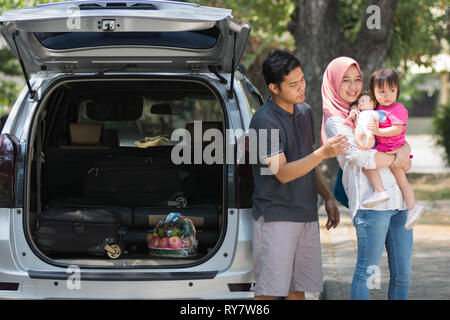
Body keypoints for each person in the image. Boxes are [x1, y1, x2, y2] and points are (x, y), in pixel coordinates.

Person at [249, 50, 348, 300]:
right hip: (276, 218)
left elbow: (306, 161)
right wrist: (323, 152)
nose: (301, 87)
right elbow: (282, 172)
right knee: (268, 293)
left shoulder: (304, 112)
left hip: (306, 215)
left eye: (302, 79)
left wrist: (326, 196)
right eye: (293, 84)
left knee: (298, 292)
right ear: (273, 87)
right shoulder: (263, 121)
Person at [321, 56, 414, 300]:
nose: (352, 87)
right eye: (345, 81)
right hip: (371, 205)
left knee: (403, 274)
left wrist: (403, 150)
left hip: (399, 203)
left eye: (357, 80)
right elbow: (361, 158)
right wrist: (398, 157)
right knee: (366, 272)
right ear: (333, 84)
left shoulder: (374, 110)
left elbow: (401, 141)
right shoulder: (335, 121)